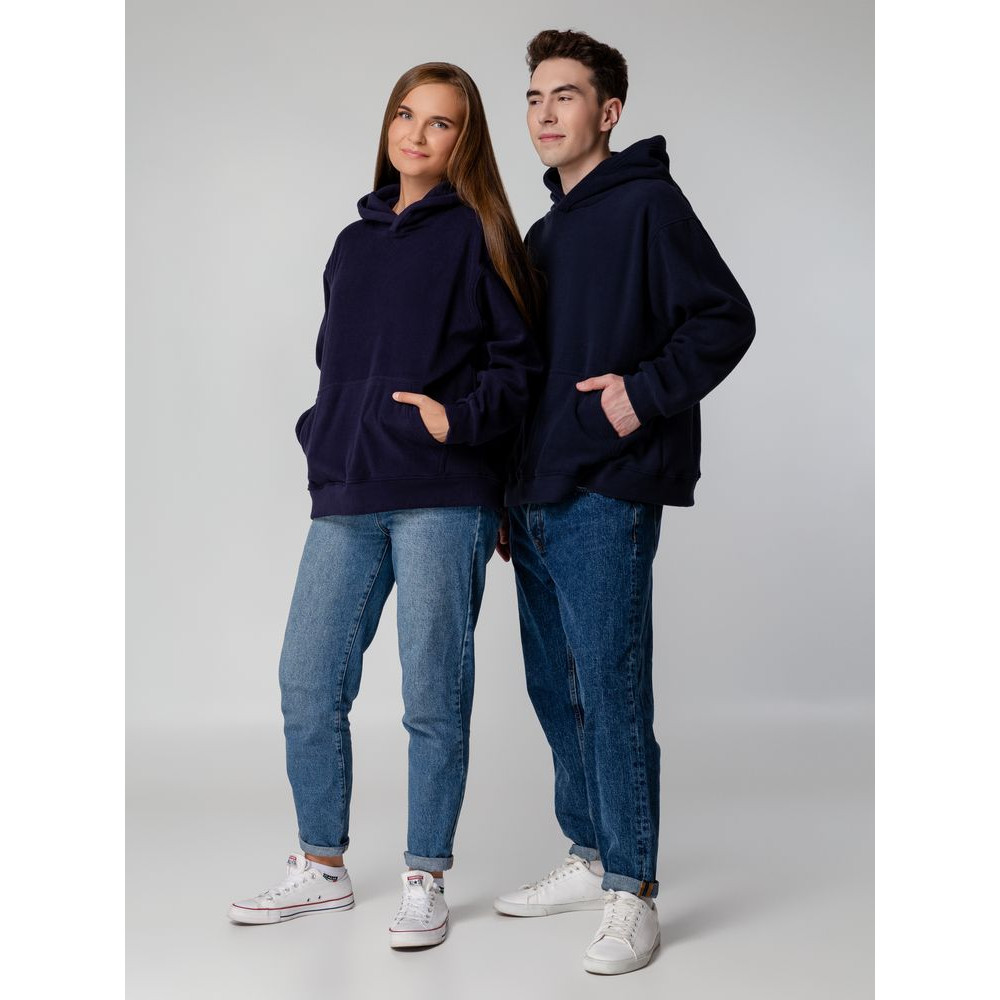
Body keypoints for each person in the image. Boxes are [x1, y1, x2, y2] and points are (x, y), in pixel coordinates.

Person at [228, 62, 541, 950]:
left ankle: (425, 877)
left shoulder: (479, 234)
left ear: (464, 141)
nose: (416, 133)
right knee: (307, 680)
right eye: (406, 114)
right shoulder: (351, 243)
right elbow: (335, 359)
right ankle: (321, 869)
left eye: (440, 122)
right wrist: (324, 431)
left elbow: (520, 368)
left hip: (443, 495)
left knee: (432, 693)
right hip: (350, 491)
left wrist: (455, 420)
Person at [493, 30, 756, 975]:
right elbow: (524, 377)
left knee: (609, 689)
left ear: (608, 112)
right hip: (534, 495)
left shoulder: (648, 202)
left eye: (564, 95)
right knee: (553, 688)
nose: (544, 113)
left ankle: (632, 889)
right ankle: (591, 849)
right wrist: (505, 493)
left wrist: (639, 396)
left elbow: (725, 317)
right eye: (534, 97)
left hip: (606, 487)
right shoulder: (543, 235)